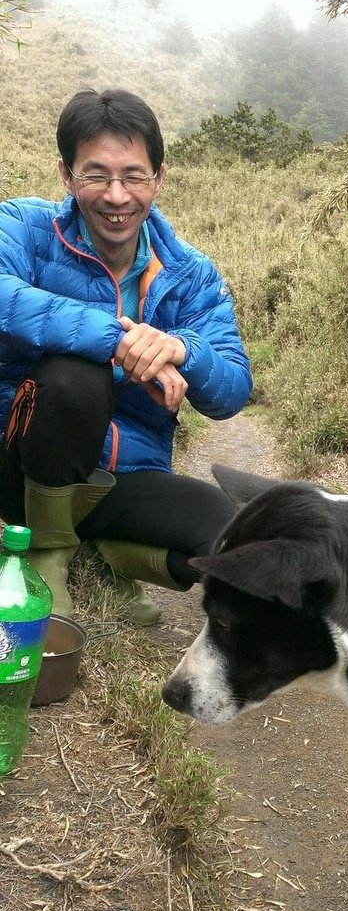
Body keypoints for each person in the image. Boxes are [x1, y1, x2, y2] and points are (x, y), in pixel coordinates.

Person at [0, 88, 252, 625]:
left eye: (133, 176)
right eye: (96, 175)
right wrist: (117, 340)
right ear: (67, 176)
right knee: (76, 374)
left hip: (123, 476)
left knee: (227, 536)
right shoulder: (22, 225)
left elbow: (233, 386)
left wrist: (184, 349)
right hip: (20, 464)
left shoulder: (190, 272)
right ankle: (47, 552)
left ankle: (103, 552)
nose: (117, 196)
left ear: (157, 179)